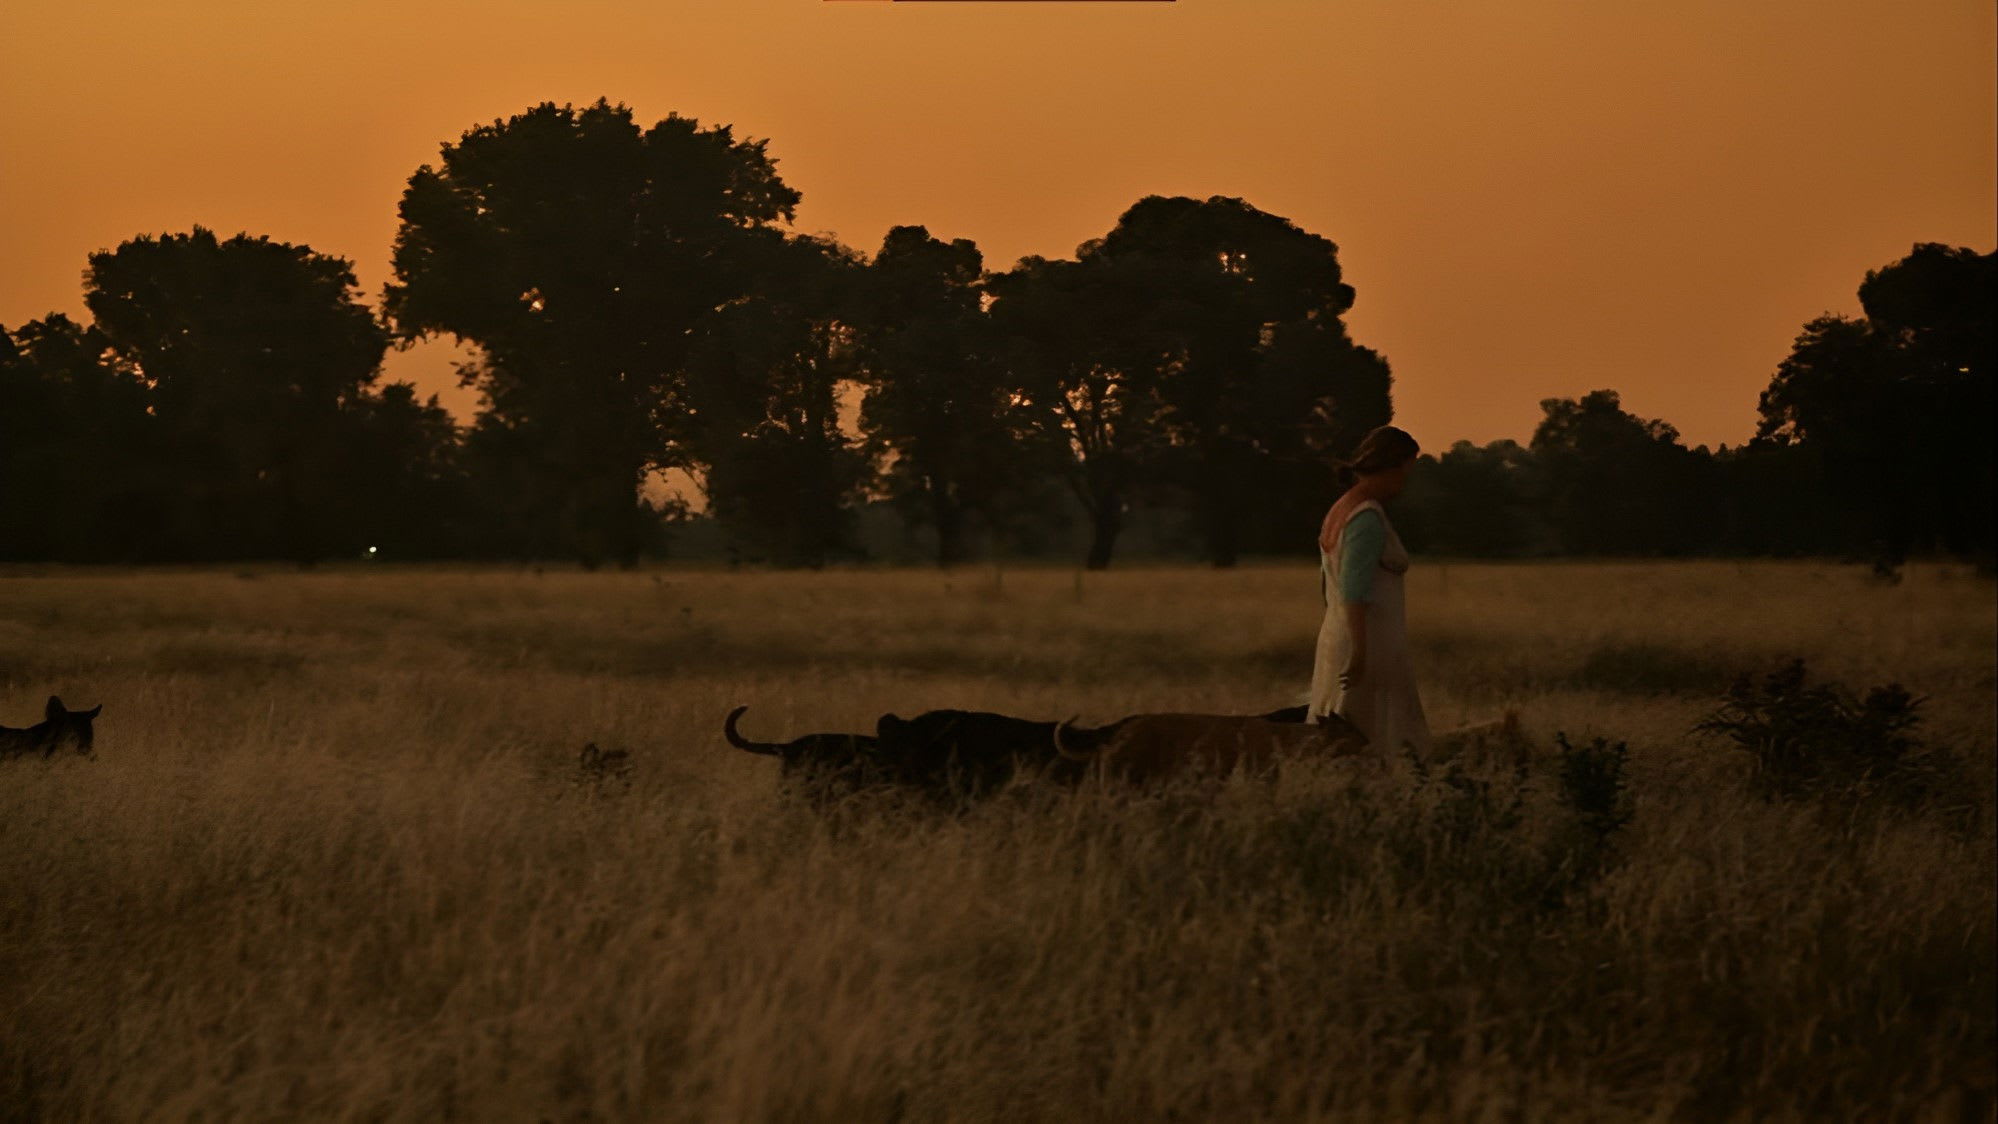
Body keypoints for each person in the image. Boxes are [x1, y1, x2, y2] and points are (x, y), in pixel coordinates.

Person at [1308, 425, 1432, 755]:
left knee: (1338, 736)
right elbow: (1354, 589)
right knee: (1375, 739)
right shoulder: (1366, 518)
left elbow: (1328, 586)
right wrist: (1360, 652)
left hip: (1338, 635)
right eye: (1405, 471)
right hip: (1368, 642)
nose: (1404, 483)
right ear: (1391, 466)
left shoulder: (1341, 509)